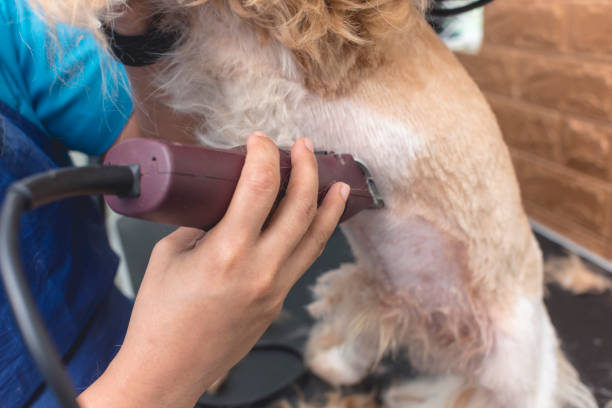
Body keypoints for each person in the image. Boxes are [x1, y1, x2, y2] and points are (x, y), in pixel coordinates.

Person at [0, 1, 349, 407]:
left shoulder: (14, 22)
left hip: (124, 329)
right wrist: (162, 376)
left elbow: (157, 152)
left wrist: (141, 29)